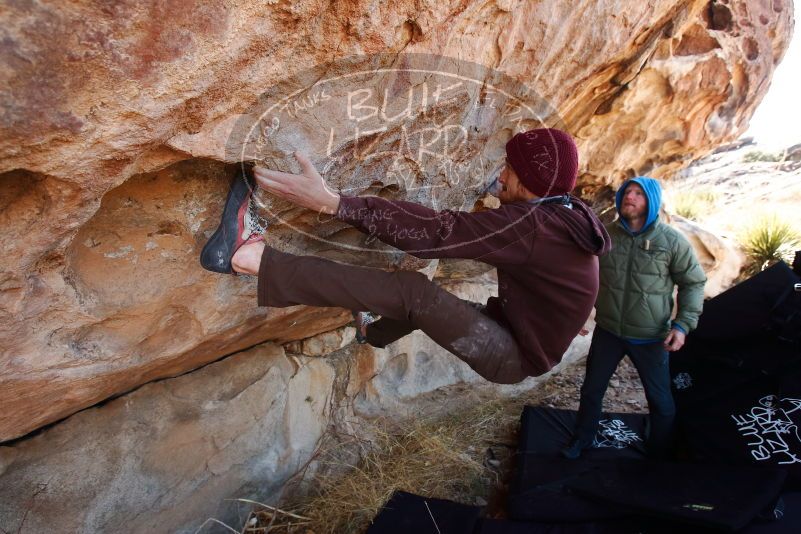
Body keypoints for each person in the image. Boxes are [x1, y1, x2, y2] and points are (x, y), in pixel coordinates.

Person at [200, 129, 610, 384]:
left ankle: (247, 257)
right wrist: (562, 315)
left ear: (535, 181)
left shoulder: (536, 226)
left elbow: (437, 234)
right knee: (430, 307)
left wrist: (334, 204)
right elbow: (576, 274)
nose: (500, 172)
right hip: (512, 330)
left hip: (512, 354)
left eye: (511, 167)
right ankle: (373, 332)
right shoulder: (564, 215)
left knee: (416, 295)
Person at [561, 177, 706, 459]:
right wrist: (574, 316)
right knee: (592, 390)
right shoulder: (605, 235)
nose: (630, 196)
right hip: (609, 331)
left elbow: (694, 282)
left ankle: (660, 453)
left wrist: (683, 325)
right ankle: (582, 439)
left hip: (651, 336)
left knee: (660, 401)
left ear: (651, 201)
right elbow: (582, 277)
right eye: (627, 191)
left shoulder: (671, 241)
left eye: (639, 193)